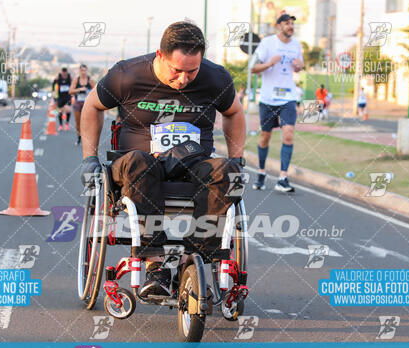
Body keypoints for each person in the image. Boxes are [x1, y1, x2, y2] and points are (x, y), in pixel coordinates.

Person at [80, 21, 246, 297]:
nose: (183, 79)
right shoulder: (127, 75)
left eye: (192, 71)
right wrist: (89, 157)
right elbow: (92, 105)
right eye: (176, 70)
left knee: (228, 171)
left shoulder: (215, 78)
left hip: (193, 164)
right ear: (160, 55)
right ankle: (156, 264)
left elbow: (235, 113)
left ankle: (194, 259)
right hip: (137, 164)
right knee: (139, 162)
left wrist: (237, 158)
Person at [250, 13, 304, 192]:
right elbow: (253, 68)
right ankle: (262, 172)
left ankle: (282, 178)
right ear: (278, 26)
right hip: (267, 98)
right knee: (265, 136)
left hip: (288, 97)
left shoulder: (296, 45)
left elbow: (300, 65)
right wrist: (269, 64)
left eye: (292, 24)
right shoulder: (267, 43)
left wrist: (299, 65)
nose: (291, 26)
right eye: (287, 23)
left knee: (288, 133)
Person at [70, 64, 96, 146]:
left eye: (85, 70)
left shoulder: (90, 79)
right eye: (82, 70)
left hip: (87, 103)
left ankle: (87, 139)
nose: (83, 72)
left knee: (88, 122)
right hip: (78, 102)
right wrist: (80, 89)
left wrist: (89, 91)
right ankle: (79, 138)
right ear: (79, 71)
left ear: (87, 71)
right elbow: (70, 91)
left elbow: (95, 90)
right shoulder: (76, 80)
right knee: (78, 122)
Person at [52, 67, 73, 131]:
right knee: (60, 111)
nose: (64, 74)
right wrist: (54, 93)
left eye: (65, 72)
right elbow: (53, 84)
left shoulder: (70, 77)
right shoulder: (58, 77)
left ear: (67, 72)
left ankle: (67, 124)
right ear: (61, 72)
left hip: (68, 96)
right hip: (60, 97)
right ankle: (61, 125)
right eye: (63, 73)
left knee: (68, 110)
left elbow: (73, 84)